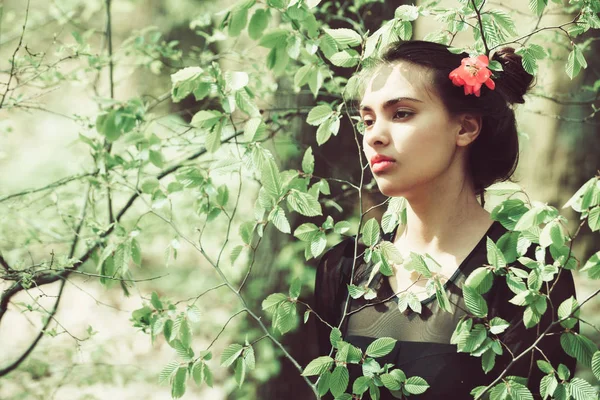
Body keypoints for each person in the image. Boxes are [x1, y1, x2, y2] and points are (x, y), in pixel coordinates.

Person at [313, 40, 577, 399]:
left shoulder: (529, 273)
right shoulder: (344, 268)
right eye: (368, 120)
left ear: (466, 128)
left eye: (402, 113)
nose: (374, 135)